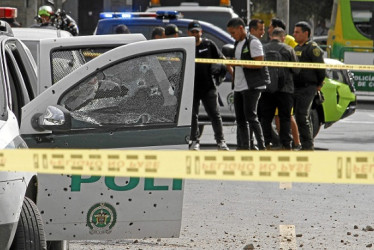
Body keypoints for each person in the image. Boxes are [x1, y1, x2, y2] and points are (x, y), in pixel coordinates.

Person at [226, 17, 270, 150]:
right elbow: (237, 63)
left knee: (251, 117)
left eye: (233, 33)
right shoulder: (237, 43)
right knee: (240, 119)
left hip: (252, 86)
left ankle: (261, 147)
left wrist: (239, 63)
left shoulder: (253, 42)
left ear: (240, 28)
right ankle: (245, 147)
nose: (232, 36)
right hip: (239, 86)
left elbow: (259, 63)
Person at [187, 20, 229, 151]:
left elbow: (222, 60)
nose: (195, 34)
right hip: (191, 87)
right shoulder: (186, 46)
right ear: (188, 33)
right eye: (192, 32)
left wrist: (230, 74)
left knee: (215, 114)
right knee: (192, 116)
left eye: (197, 32)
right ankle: (194, 141)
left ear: (201, 32)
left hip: (208, 87)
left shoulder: (209, 44)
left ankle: (221, 142)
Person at [261, 27, 300, 150]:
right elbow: (296, 69)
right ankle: (286, 144)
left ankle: (266, 143)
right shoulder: (288, 49)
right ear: (283, 37)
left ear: (272, 36)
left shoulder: (263, 48)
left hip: (267, 89)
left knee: (266, 118)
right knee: (285, 118)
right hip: (285, 90)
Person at [293, 21, 325, 150]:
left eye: (297, 32)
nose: (294, 34)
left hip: (308, 87)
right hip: (296, 87)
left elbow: (321, 69)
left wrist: (318, 84)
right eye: (294, 32)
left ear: (306, 33)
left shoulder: (313, 48)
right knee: (299, 116)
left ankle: (307, 146)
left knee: (302, 116)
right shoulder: (296, 48)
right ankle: (303, 143)